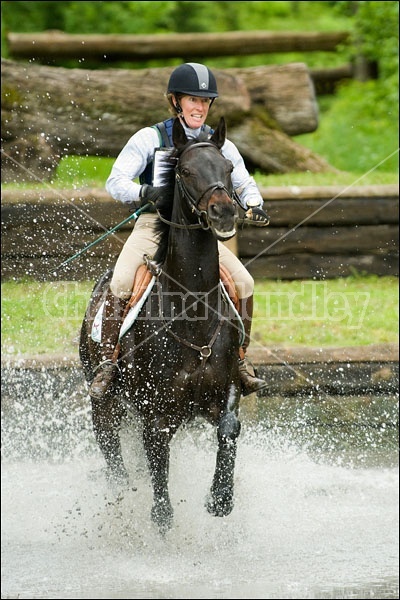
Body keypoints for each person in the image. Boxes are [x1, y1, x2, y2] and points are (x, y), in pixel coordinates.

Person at [89, 62, 270, 401]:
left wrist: (254, 202)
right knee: (122, 281)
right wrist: (143, 192)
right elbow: (115, 182)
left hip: (200, 234)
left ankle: (241, 361)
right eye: (192, 100)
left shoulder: (219, 144)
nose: (199, 108)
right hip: (153, 227)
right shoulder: (149, 138)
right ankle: (108, 364)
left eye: (205, 102)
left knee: (245, 282)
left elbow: (244, 181)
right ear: (175, 102)